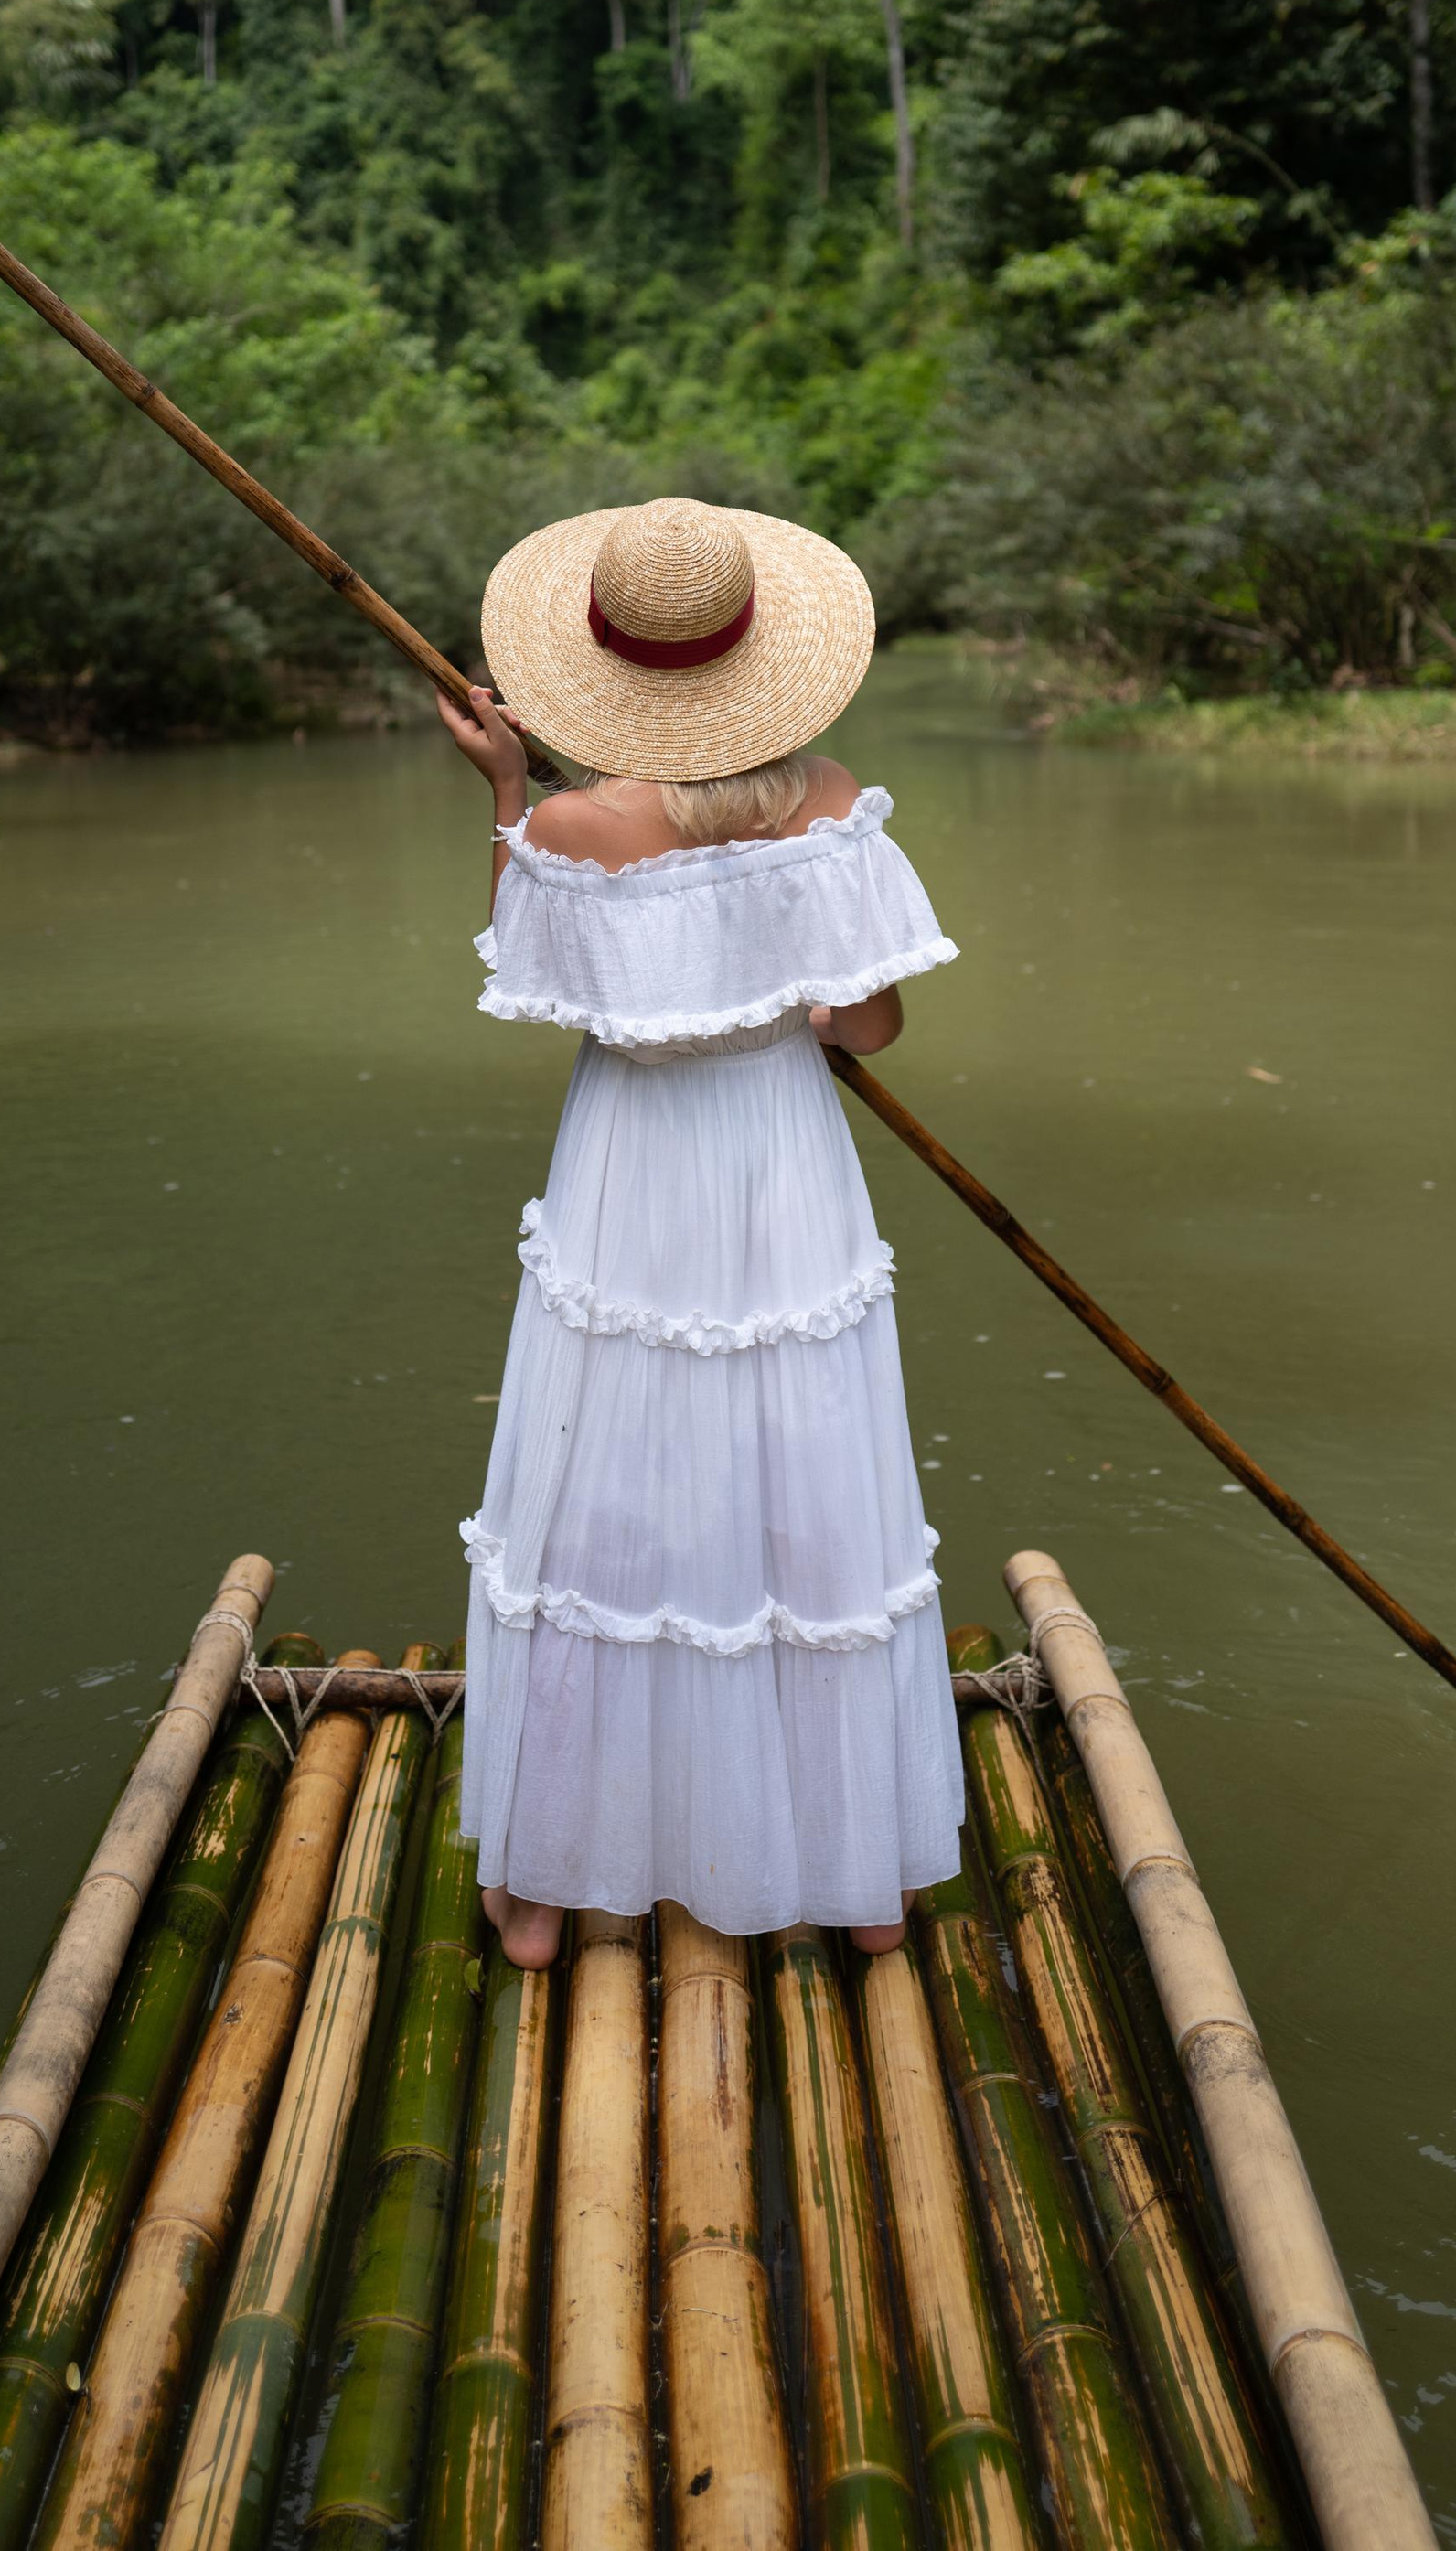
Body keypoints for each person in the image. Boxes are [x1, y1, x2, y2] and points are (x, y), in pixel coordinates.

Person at [435, 492, 964, 1969]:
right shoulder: (833, 804)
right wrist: (776, 953)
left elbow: (549, 989)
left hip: (633, 1168)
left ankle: (544, 1891)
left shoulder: (565, 826)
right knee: (806, 1467)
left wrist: (501, 799)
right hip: (781, 1158)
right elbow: (868, 1024)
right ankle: (856, 1882)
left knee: (604, 1471)